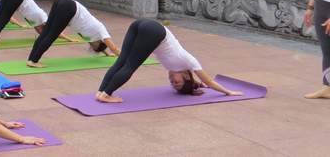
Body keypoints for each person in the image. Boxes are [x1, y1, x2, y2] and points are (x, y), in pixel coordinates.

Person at [96, 19, 242, 103]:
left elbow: (200, 82)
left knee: (121, 61)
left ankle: (101, 91)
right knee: (130, 66)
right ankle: (106, 94)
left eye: (172, 84)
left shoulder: (174, 67)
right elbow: (209, 81)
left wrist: (198, 84)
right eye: (177, 82)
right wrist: (228, 92)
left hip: (141, 24)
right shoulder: (190, 61)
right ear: (186, 76)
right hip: (155, 31)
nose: (172, 81)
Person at [27, 0, 121, 67]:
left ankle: (31, 59)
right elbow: (114, 48)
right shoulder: (101, 30)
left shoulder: (91, 38)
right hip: (69, 8)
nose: (91, 46)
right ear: (100, 42)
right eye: (94, 47)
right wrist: (126, 58)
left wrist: (107, 53)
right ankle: (34, 61)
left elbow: (101, 47)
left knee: (46, 32)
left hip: (61, 2)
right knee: (51, 36)